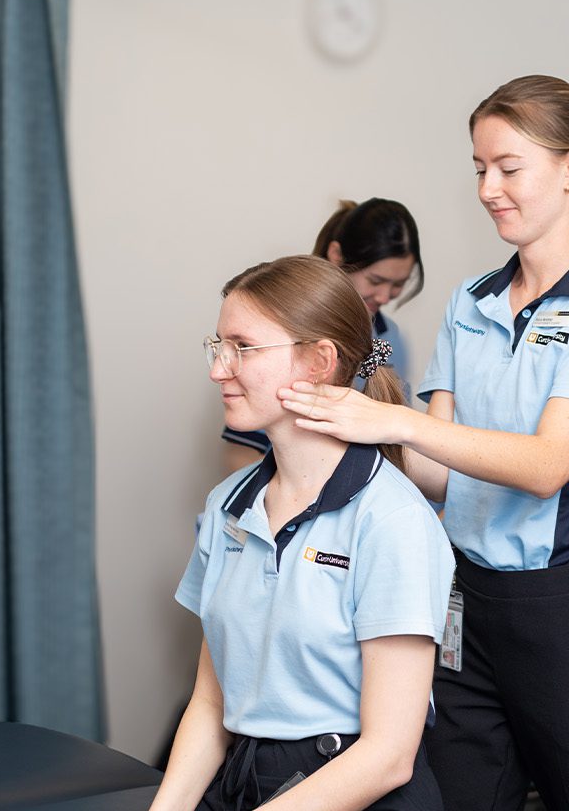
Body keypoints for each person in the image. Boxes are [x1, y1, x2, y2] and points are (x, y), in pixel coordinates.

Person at [278, 75, 569, 811]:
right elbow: (436, 470)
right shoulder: (472, 301)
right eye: (480, 169)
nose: (489, 188)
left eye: (508, 168)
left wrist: (397, 423)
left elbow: (548, 466)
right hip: (464, 605)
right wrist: (334, 422)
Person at [152, 256, 453, 811]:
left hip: (352, 788)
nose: (219, 368)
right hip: (247, 780)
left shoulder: (391, 519)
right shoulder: (228, 507)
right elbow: (211, 704)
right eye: (218, 346)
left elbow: (388, 755)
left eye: (242, 348)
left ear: (319, 361)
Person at [223, 198, 424, 472]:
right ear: (337, 255)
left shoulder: (390, 339)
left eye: (398, 285)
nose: (385, 296)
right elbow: (241, 452)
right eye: (375, 281)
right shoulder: (282, 324)